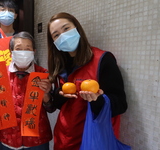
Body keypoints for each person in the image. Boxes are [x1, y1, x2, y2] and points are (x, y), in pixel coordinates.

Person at [46, 12, 128, 150]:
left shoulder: (102, 60)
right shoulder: (60, 66)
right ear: (54, 43)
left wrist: (97, 100)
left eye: (66, 29)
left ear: (77, 28)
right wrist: (59, 94)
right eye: (56, 35)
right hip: (63, 139)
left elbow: (120, 104)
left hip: (92, 140)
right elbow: (63, 105)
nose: (63, 36)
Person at [0, 31, 53, 150]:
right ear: (11, 52)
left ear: (34, 52)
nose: (23, 52)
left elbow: (51, 108)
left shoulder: (43, 74)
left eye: (28, 49)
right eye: (18, 48)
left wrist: (46, 96)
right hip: (7, 139)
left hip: (37, 140)